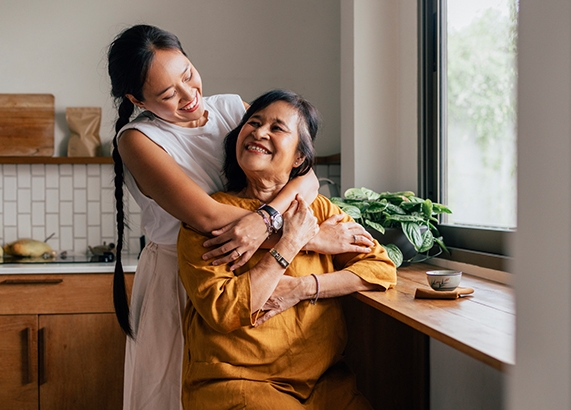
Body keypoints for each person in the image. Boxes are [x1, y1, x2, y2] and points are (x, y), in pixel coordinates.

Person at [107, 25, 377, 409]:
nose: (189, 96)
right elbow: (207, 216)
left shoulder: (233, 108)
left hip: (259, 267)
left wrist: (265, 218)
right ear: (138, 99)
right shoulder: (137, 140)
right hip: (189, 276)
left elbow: (306, 173)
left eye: (188, 74)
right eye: (168, 94)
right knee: (178, 394)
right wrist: (306, 238)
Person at [177, 90, 398, 409]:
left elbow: (380, 268)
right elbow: (224, 310)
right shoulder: (210, 216)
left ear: (299, 158)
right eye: (253, 122)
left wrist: (302, 288)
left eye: (277, 127)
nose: (259, 131)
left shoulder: (318, 208)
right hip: (239, 384)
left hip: (325, 384)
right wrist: (290, 242)